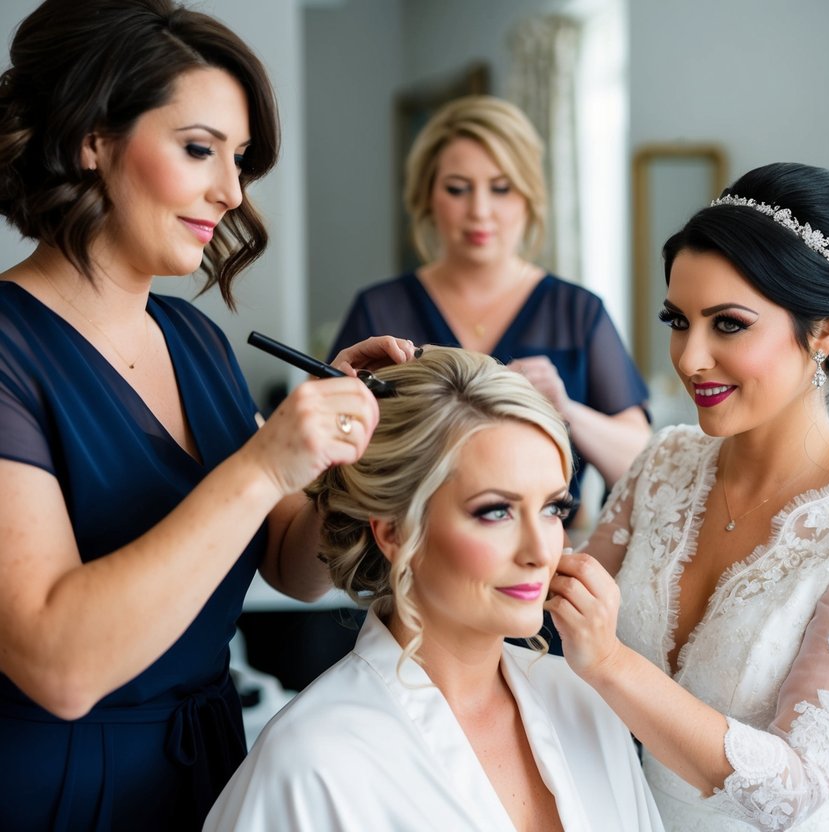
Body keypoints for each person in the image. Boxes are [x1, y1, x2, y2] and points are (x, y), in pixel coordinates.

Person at [0, 2, 414, 829]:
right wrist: (262, 463)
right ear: (92, 139)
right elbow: (60, 665)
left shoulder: (193, 338)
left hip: (209, 770)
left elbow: (292, 566)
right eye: (199, 150)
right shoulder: (11, 350)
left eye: (239, 161)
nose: (230, 192)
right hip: (59, 790)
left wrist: (351, 454)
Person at [545, 162, 829, 831]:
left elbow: (792, 788)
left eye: (727, 324)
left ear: (823, 331)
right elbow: (553, 615)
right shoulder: (666, 462)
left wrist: (611, 663)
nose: (689, 357)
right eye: (677, 320)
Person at [204, 348, 664, 831]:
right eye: (496, 511)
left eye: (552, 509)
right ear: (395, 532)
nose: (539, 551)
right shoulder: (312, 763)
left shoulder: (585, 702)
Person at [328, 94, 650, 510]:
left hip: (541, 559)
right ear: (427, 197)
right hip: (402, 562)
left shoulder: (577, 313)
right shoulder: (380, 309)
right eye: (458, 189)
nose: (480, 211)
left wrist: (566, 408)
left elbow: (645, 465)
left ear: (529, 197)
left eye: (501, 188)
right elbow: (322, 456)